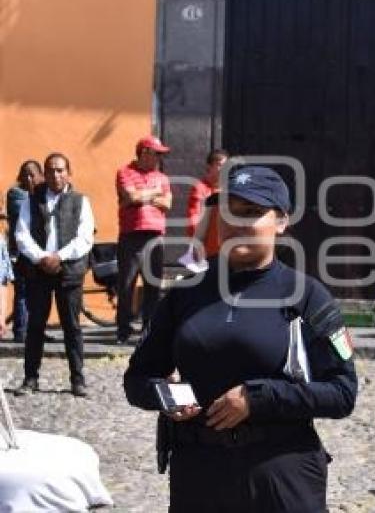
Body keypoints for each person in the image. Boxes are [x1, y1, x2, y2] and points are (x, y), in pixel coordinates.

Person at [124, 165, 357, 512]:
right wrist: (168, 397)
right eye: (229, 211)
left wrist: (257, 398)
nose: (237, 223)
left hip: (280, 474)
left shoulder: (306, 296)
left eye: (251, 212)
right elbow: (137, 379)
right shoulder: (186, 291)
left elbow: (341, 393)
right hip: (199, 474)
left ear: (281, 221)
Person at [14, 153, 95, 397]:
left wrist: (59, 256)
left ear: (69, 173)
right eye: (50, 170)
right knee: (35, 326)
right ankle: (30, 378)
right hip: (39, 272)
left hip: (69, 272)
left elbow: (85, 237)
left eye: (60, 170)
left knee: (72, 327)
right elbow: (22, 233)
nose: (55, 175)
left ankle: (77, 380)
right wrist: (41, 258)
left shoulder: (81, 201)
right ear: (44, 174)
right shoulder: (31, 200)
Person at [115, 135, 172, 343]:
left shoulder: (162, 178)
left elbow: (167, 204)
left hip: (155, 236)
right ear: (145, 152)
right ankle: (123, 330)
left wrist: (142, 195)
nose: (159, 158)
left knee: (153, 286)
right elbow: (130, 197)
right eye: (157, 153)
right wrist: (154, 194)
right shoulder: (125, 172)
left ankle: (148, 330)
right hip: (132, 236)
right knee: (126, 285)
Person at [6, 160, 44, 342]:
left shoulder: (43, 194)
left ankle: (37, 331)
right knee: (22, 292)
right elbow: (29, 213)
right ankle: (21, 331)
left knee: (39, 294)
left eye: (33, 174)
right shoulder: (16, 193)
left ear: (40, 176)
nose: (29, 178)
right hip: (21, 252)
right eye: (25, 174)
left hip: (40, 252)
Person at [186, 148, 228, 258]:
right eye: (219, 165)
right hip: (207, 251)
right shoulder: (200, 189)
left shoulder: (228, 190)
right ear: (209, 167)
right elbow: (194, 221)